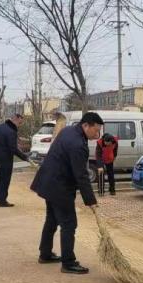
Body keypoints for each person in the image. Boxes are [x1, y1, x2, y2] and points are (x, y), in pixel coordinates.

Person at [31, 111, 104, 274]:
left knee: (52, 219)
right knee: (69, 223)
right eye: (96, 130)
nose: (97, 135)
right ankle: (68, 263)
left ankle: (45, 254)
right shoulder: (77, 144)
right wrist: (91, 200)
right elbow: (81, 175)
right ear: (86, 125)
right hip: (59, 186)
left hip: (48, 182)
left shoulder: (69, 130)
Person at [0, 113, 29, 207]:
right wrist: (25, 157)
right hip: (5, 159)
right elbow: (13, 149)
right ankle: (3, 201)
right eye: (20, 122)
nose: (20, 125)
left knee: (0, 179)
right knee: (5, 180)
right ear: (16, 119)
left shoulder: (1, 127)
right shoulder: (11, 131)